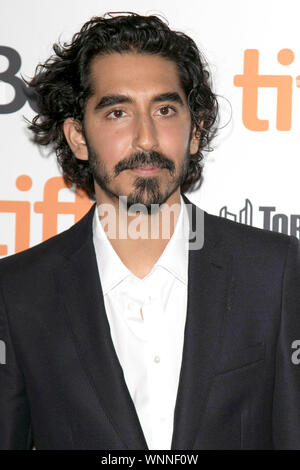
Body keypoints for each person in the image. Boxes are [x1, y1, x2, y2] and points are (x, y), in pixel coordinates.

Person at [0, 12, 299, 450]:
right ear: (78, 137)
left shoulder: (273, 272)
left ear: (194, 131)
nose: (145, 138)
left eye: (164, 109)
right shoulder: (18, 292)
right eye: (117, 112)